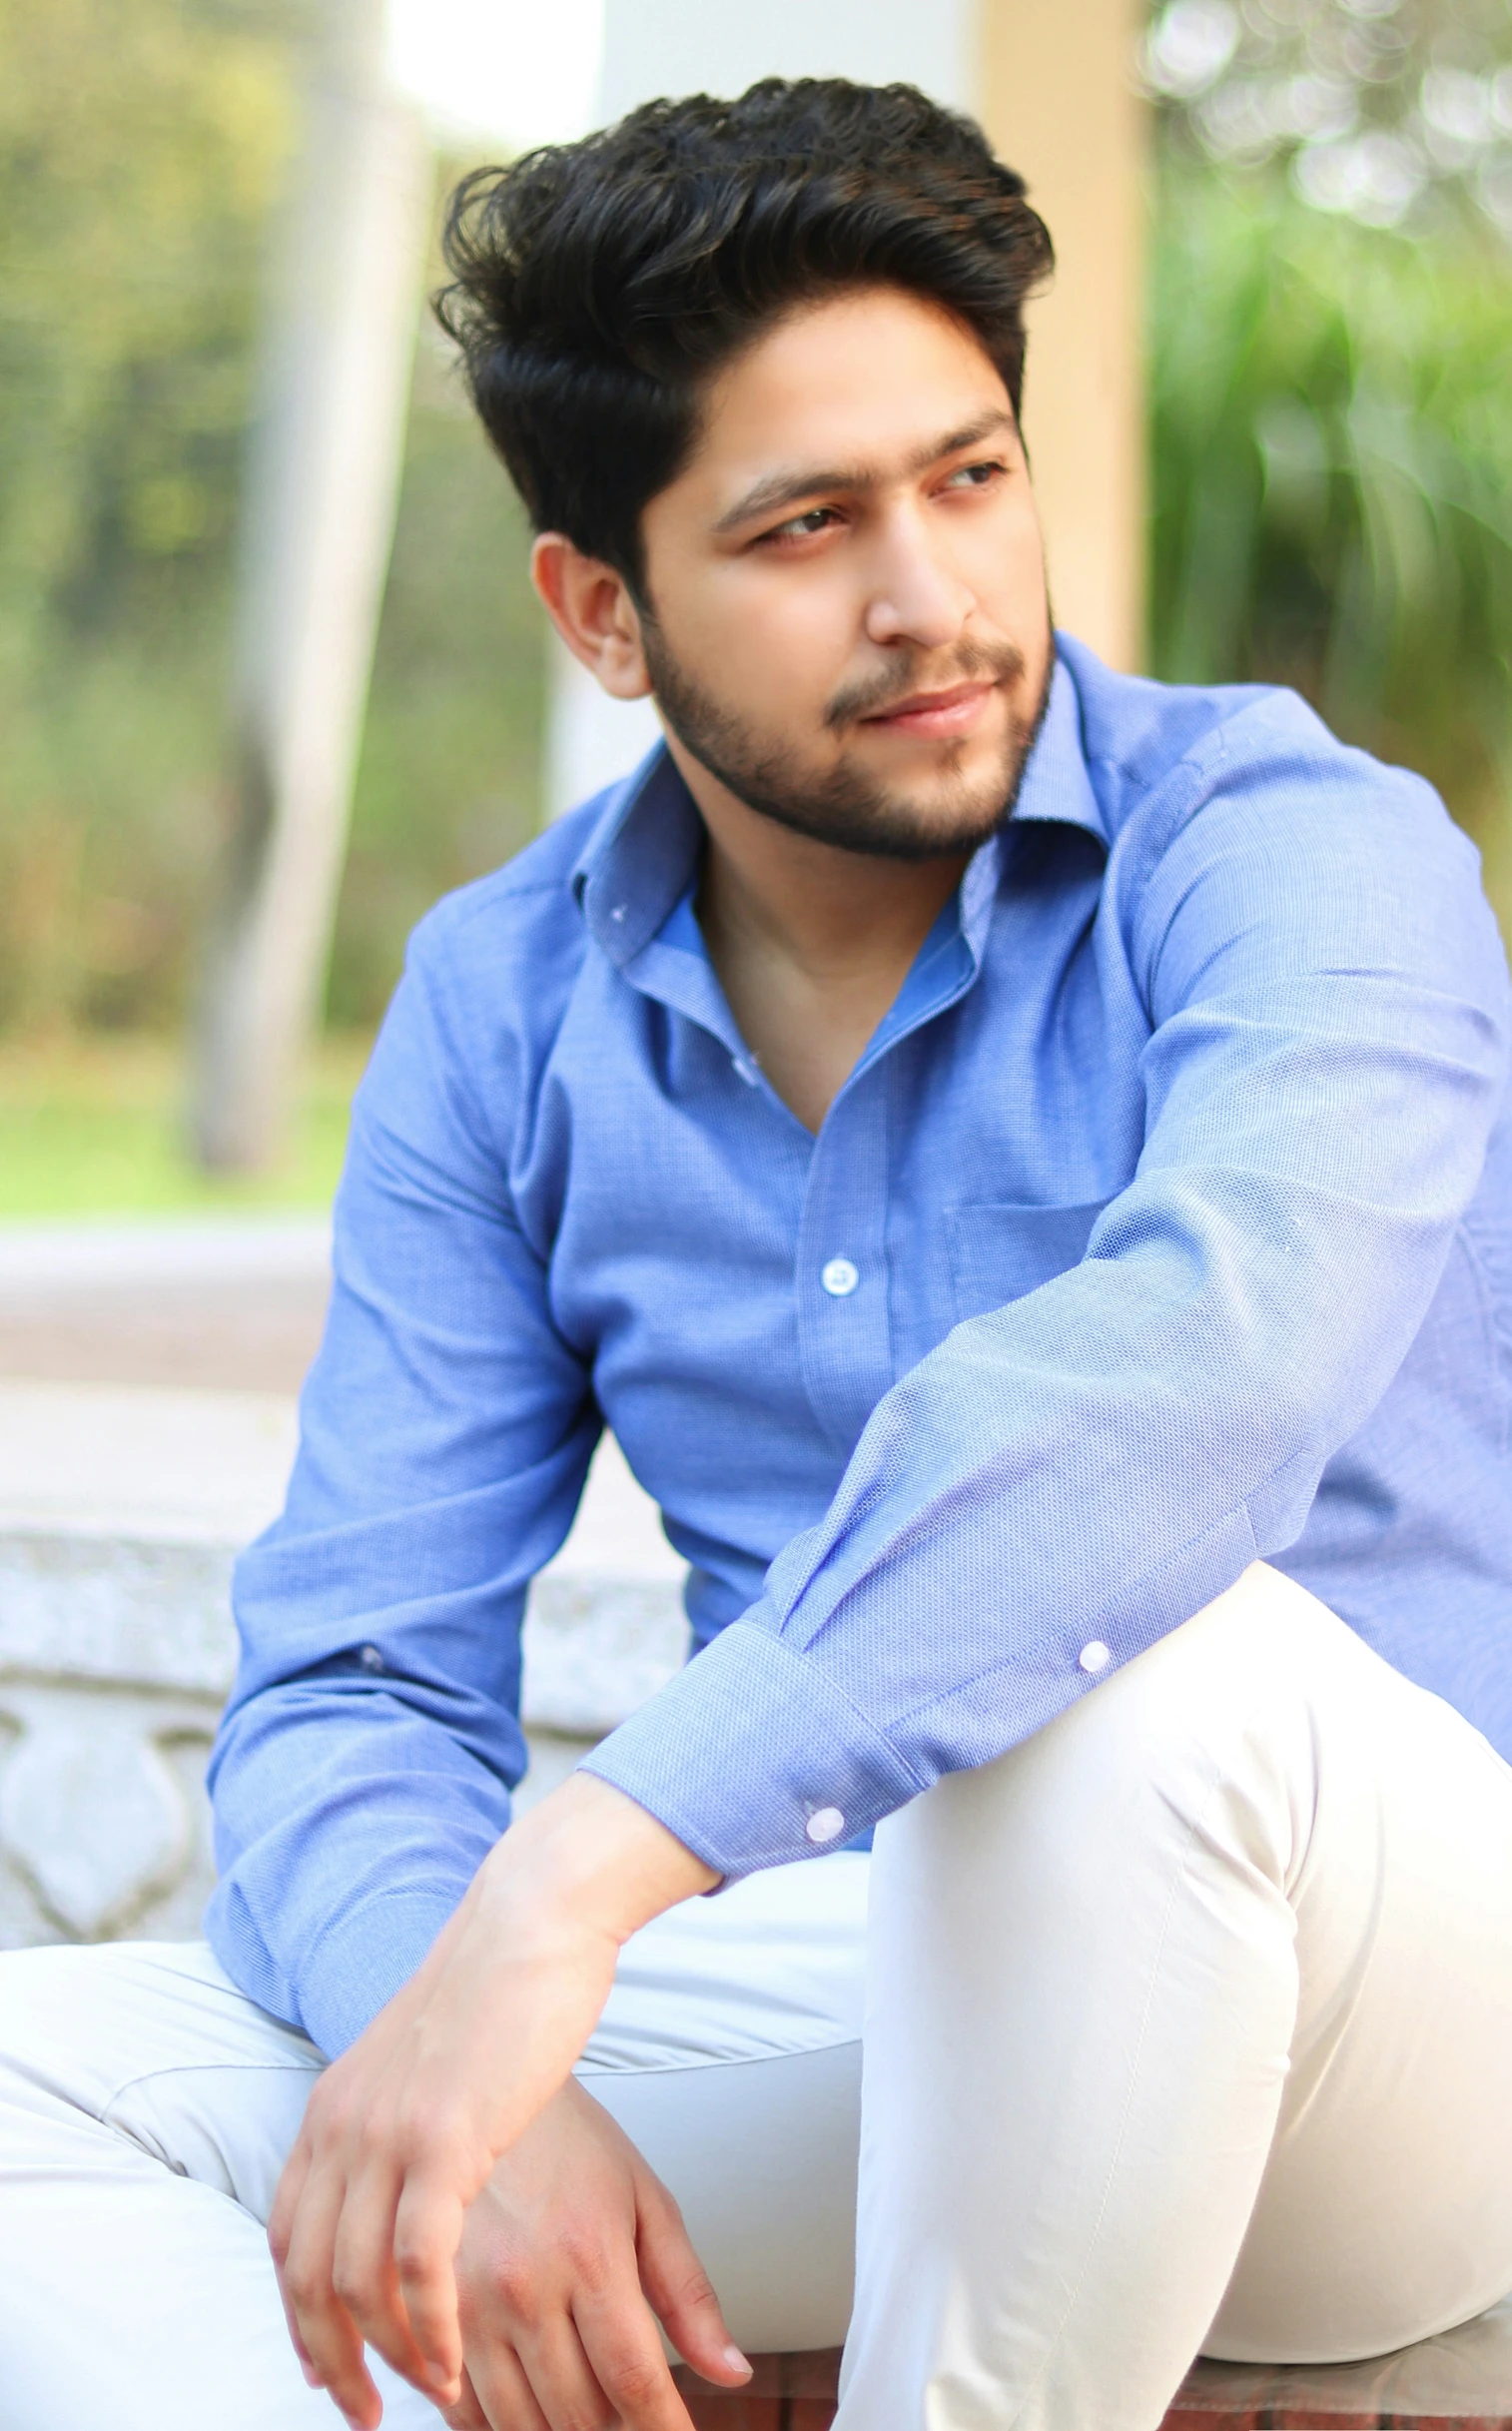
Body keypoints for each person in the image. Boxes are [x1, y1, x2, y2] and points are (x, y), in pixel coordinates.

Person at [2, 75, 1510, 2431]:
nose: (931, 595)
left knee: (1134, 1672)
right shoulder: (503, 1006)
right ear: (600, 607)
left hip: (1403, 2034)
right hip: (880, 1988)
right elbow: (359, 1673)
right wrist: (460, 2041)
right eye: (808, 524)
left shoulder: (1297, 854)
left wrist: (573, 1883)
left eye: (970, 476)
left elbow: (1198, 1379)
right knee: (27, 2077)